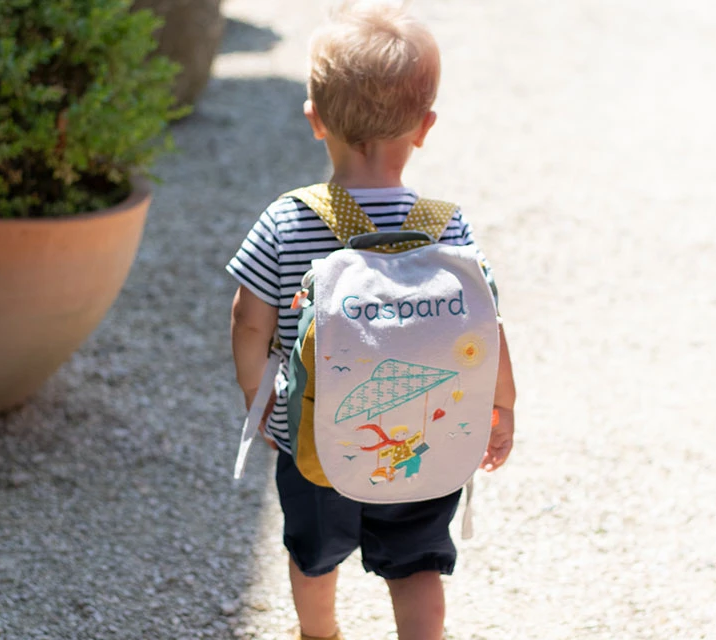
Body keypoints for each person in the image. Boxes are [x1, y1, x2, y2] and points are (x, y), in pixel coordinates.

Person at [227, 3, 516, 639]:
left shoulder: (287, 220)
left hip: (313, 438)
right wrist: (503, 408)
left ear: (315, 120)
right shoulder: (448, 227)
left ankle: (320, 634)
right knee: (416, 568)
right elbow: (486, 326)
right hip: (423, 438)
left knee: (313, 555)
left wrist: (259, 399)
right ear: (425, 127)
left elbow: (250, 321)